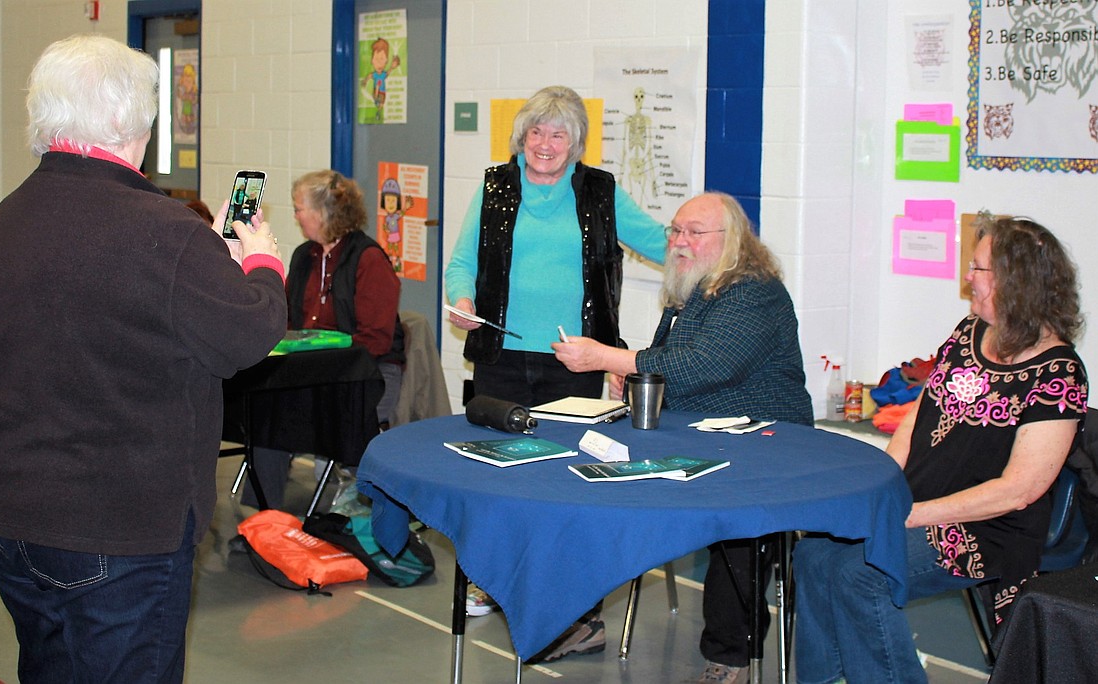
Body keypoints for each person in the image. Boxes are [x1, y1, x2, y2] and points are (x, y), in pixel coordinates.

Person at [0, 35, 287, 683]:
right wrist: (262, 262)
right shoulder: (162, 229)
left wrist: (204, 267)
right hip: (112, 526)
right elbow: (248, 335)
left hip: (6, 512)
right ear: (125, 121)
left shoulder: (13, 214)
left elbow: (112, 313)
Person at [792, 216, 1088, 684]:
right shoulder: (968, 333)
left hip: (987, 527)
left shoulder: (1059, 373)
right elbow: (917, 415)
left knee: (859, 573)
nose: (968, 277)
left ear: (1018, 282)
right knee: (812, 556)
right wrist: (879, 487)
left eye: (979, 269)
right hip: (916, 501)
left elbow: (1019, 490)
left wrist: (910, 514)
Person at [553, 191, 813, 683]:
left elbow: (703, 366)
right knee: (592, 491)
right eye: (675, 231)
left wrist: (609, 359)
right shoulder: (692, 290)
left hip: (762, 441)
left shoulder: (755, 291)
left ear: (731, 240)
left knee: (736, 532)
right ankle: (583, 621)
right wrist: (629, 378)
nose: (679, 242)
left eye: (695, 233)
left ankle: (730, 656)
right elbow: (666, 363)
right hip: (692, 435)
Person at [444, 84, 668, 646]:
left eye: (558, 133)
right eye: (536, 132)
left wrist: (718, 258)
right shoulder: (497, 186)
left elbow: (664, 243)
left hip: (576, 359)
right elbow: (462, 263)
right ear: (522, 137)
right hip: (500, 354)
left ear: (576, 143)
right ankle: (492, 582)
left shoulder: (600, 192)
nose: (545, 143)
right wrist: (464, 303)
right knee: (498, 469)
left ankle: (575, 605)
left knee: (569, 477)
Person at [238, 170, 404, 510]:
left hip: (361, 373)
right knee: (268, 413)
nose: (296, 215)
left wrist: (323, 362)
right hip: (310, 372)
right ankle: (261, 520)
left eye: (300, 208)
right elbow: (284, 319)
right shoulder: (303, 256)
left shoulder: (369, 259)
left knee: (333, 415)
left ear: (325, 212)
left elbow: (376, 339)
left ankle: (359, 512)